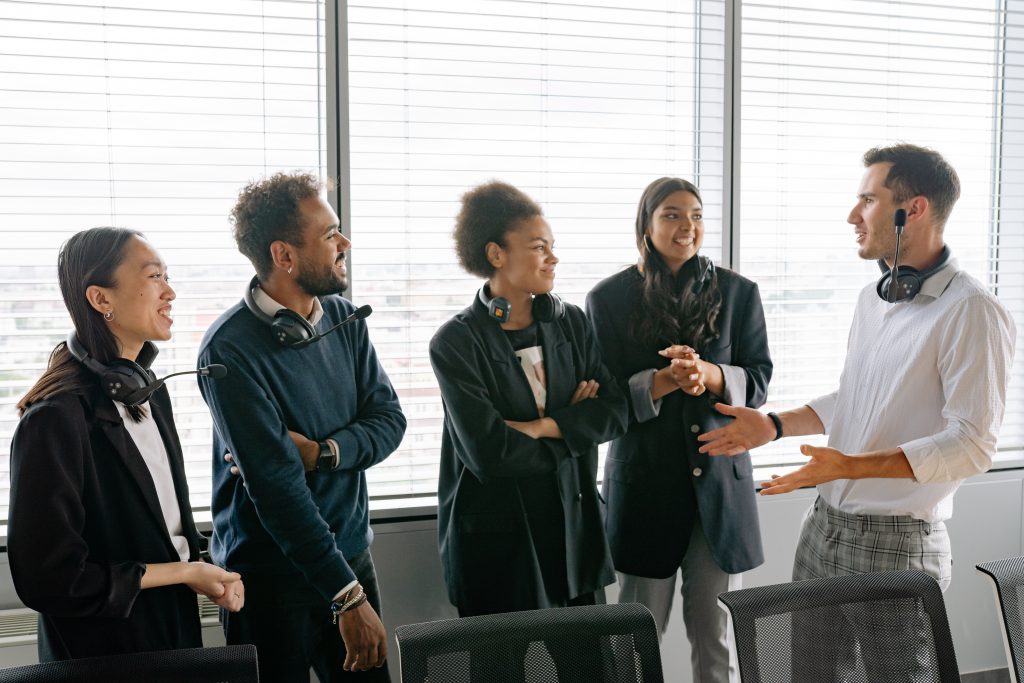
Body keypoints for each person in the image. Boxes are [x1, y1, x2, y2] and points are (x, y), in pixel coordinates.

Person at [698, 144, 1016, 678]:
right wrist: (774, 425)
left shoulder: (972, 311)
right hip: (823, 528)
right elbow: (857, 396)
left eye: (868, 200)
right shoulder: (875, 299)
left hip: (897, 545)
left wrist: (850, 466)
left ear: (913, 209)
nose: (853, 215)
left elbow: (971, 445)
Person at [198, 172, 405, 682]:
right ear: (284, 256)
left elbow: (389, 421)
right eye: (330, 234)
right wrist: (346, 596)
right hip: (270, 579)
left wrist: (323, 453)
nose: (345, 243)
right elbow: (277, 488)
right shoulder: (227, 350)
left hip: (350, 556)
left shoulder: (344, 319)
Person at [9, 227, 244, 662]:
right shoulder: (54, 419)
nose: (170, 292)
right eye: (154, 276)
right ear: (101, 299)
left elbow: (156, 525)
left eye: (167, 276)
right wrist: (182, 571)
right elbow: (50, 580)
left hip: (172, 634)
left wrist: (202, 565)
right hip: (104, 655)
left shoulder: (151, 393)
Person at [585, 177, 772, 683]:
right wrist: (664, 380)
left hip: (720, 487)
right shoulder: (608, 298)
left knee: (716, 637)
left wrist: (710, 375)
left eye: (696, 215)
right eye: (671, 214)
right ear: (646, 224)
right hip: (644, 489)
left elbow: (758, 381)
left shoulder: (739, 293)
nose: (686, 226)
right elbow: (603, 398)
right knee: (634, 641)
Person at [429, 180, 627, 621]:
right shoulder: (455, 343)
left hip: (574, 539)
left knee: (590, 658)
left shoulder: (571, 323)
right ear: (496, 254)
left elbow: (615, 411)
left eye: (552, 247)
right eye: (539, 247)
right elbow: (489, 453)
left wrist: (542, 427)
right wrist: (574, 426)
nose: (553, 258)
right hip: (499, 546)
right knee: (502, 658)